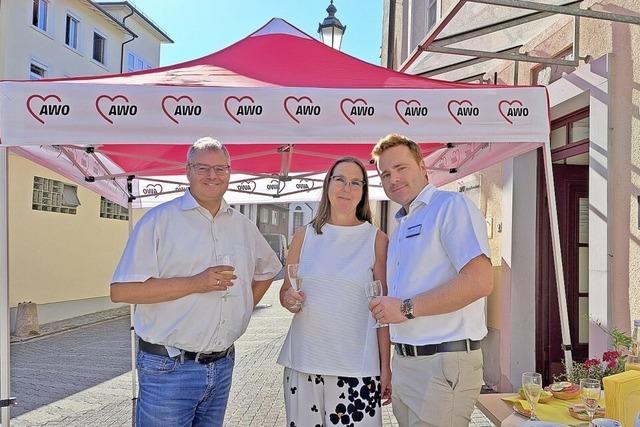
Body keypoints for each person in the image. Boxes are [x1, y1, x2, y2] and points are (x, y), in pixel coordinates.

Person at [110, 137, 282, 427]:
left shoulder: (242, 225)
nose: (212, 176)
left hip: (222, 364)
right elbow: (121, 291)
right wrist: (196, 283)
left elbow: (267, 270)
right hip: (168, 368)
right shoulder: (159, 221)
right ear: (187, 171)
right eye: (203, 168)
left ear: (230, 173)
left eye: (221, 169)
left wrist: (243, 307)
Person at [369, 134, 493, 427]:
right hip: (407, 364)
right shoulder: (400, 225)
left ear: (423, 167)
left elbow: (480, 281)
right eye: (385, 174)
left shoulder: (450, 206)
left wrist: (406, 308)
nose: (393, 178)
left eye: (401, 168)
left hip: (442, 364)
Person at [277, 156, 392, 427]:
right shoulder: (303, 236)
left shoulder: (376, 239)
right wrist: (288, 299)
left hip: (357, 369)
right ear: (328, 184)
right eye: (340, 179)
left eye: (355, 183)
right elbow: (285, 291)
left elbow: (382, 313)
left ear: (363, 192)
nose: (346, 188)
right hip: (304, 363)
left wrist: (386, 367)